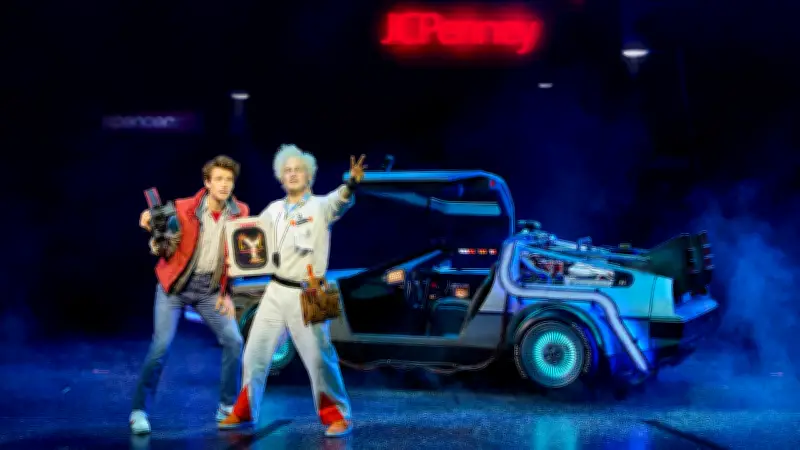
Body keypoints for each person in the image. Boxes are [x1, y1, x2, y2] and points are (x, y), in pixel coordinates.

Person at [218, 144, 366, 438]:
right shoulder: (273, 210)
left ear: (309, 175)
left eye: (298, 170)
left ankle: (339, 416)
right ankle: (245, 411)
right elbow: (249, 238)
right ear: (280, 177)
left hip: (311, 291)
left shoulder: (321, 206)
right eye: (287, 171)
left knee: (319, 358)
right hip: (275, 289)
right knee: (254, 353)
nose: (293, 174)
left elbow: (341, 200)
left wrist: (351, 183)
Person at [130, 155, 250, 434]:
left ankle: (227, 407)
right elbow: (162, 238)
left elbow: (237, 258)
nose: (224, 185)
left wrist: (227, 293)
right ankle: (139, 411)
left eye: (229, 180)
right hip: (175, 287)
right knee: (161, 347)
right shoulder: (184, 208)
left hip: (209, 291)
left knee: (234, 341)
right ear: (207, 183)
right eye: (218, 179)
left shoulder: (240, 212)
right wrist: (151, 224)